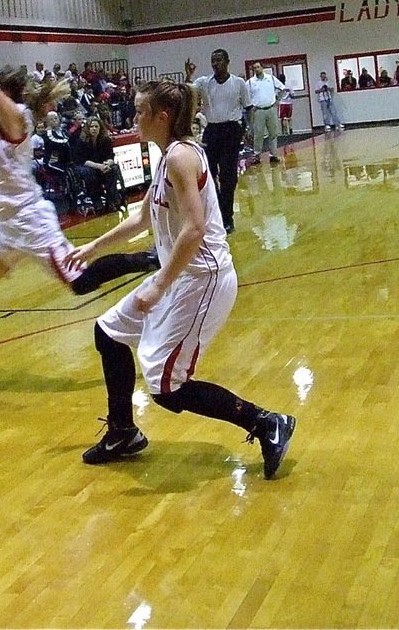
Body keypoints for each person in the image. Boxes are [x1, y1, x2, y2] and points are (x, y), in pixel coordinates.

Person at [0, 0, 156, 375]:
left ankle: (151, 258)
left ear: (3, 95)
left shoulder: (16, 118)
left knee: (79, 282)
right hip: (6, 225)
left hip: (30, 220)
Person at [64, 79, 296, 478]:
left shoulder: (181, 157)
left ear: (162, 116)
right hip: (182, 276)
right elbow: (141, 218)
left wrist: (157, 285)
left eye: (140, 111)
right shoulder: (167, 154)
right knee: (109, 333)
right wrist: (92, 248)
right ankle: (122, 431)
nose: (133, 117)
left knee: (167, 388)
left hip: (201, 279)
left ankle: (266, 423)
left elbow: (195, 228)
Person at [184, 50, 248, 234]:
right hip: (212, 130)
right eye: (213, 61)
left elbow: (248, 107)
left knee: (228, 178)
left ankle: (227, 218)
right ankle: (216, 212)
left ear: (227, 62)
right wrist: (189, 75)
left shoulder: (238, 83)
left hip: (231, 130)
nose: (215, 64)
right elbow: (188, 92)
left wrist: (246, 130)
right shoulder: (204, 82)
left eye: (219, 60)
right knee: (208, 176)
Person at [70, 116, 125, 212]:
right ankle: (96, 200)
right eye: (91, 126)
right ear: (88, 128)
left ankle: (111, 199)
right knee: (88, 172)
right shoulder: (81, 141)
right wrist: (99, 166)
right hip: (87, 166)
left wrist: (107, 164)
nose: (94, 129)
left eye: (96, 126)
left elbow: (111, 156)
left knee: (113, 169)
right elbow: (82, 160)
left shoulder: (106, 140)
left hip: (102, 166)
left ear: (100, 128)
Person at [246, 61, 285, 165]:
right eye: (254, 68)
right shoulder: (250, 82)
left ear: (262, 68)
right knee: (258, 134)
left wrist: (278, 100)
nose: (256, 69)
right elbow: (245, 95)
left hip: (271, 108)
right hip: (258, 110)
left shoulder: (271, 78)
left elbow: (282, 88)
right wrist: (250, 106)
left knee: (273, 133)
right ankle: (257, 155)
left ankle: (273, 155)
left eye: (258, 67)